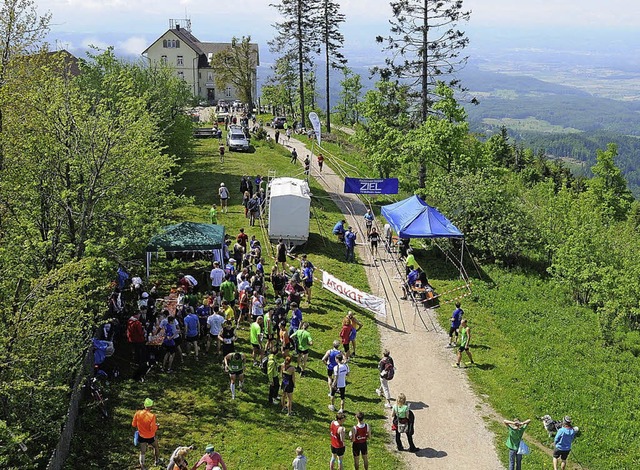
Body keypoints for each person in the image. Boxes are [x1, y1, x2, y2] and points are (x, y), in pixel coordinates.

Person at [132, 398, 160, 470]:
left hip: (141, 435)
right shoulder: (152, 416)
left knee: (142, 451)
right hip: (150, 436)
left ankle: (142, 466)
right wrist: (157, 426)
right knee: (156, 447)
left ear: (144, 405)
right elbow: (152, 429)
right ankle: (156, 461)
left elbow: (134, 424)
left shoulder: (138, 413)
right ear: (151, 407)